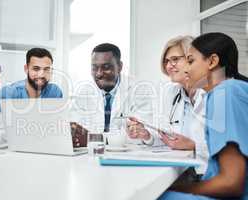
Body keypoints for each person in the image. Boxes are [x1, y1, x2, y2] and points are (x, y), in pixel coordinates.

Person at [159, 32, 248, 199]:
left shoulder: (227, 93)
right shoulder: (220, 94)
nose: (185, 68)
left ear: (213, 62)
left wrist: (180, 188)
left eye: (190, 61)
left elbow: (232, 183)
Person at [126, 36, 208, 173]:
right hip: (181, 170)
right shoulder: (171, 92)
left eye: (175, 59)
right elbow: (167, 137)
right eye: (167, 61)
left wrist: (194, 146)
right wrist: (147, 135)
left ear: (191, 58)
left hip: (208, 173)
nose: (169, 66)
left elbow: (231, 145)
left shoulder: (211, 93)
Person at [71, 43, 154, 146]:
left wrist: (95, 138)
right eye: (94, 68)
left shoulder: (139, 90)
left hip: (127, 155)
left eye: (106, 67)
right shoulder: (84, 92)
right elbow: (76, 130)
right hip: (91, 154)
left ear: (119, 67)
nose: (99, 73)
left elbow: (142, 135)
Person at [0, 47, 63, 113]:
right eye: (36, 69)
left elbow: (58, 120)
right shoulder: (8, 93)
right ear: (26, 69)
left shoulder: (55, 92)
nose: (41, 75)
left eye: (46, 69)